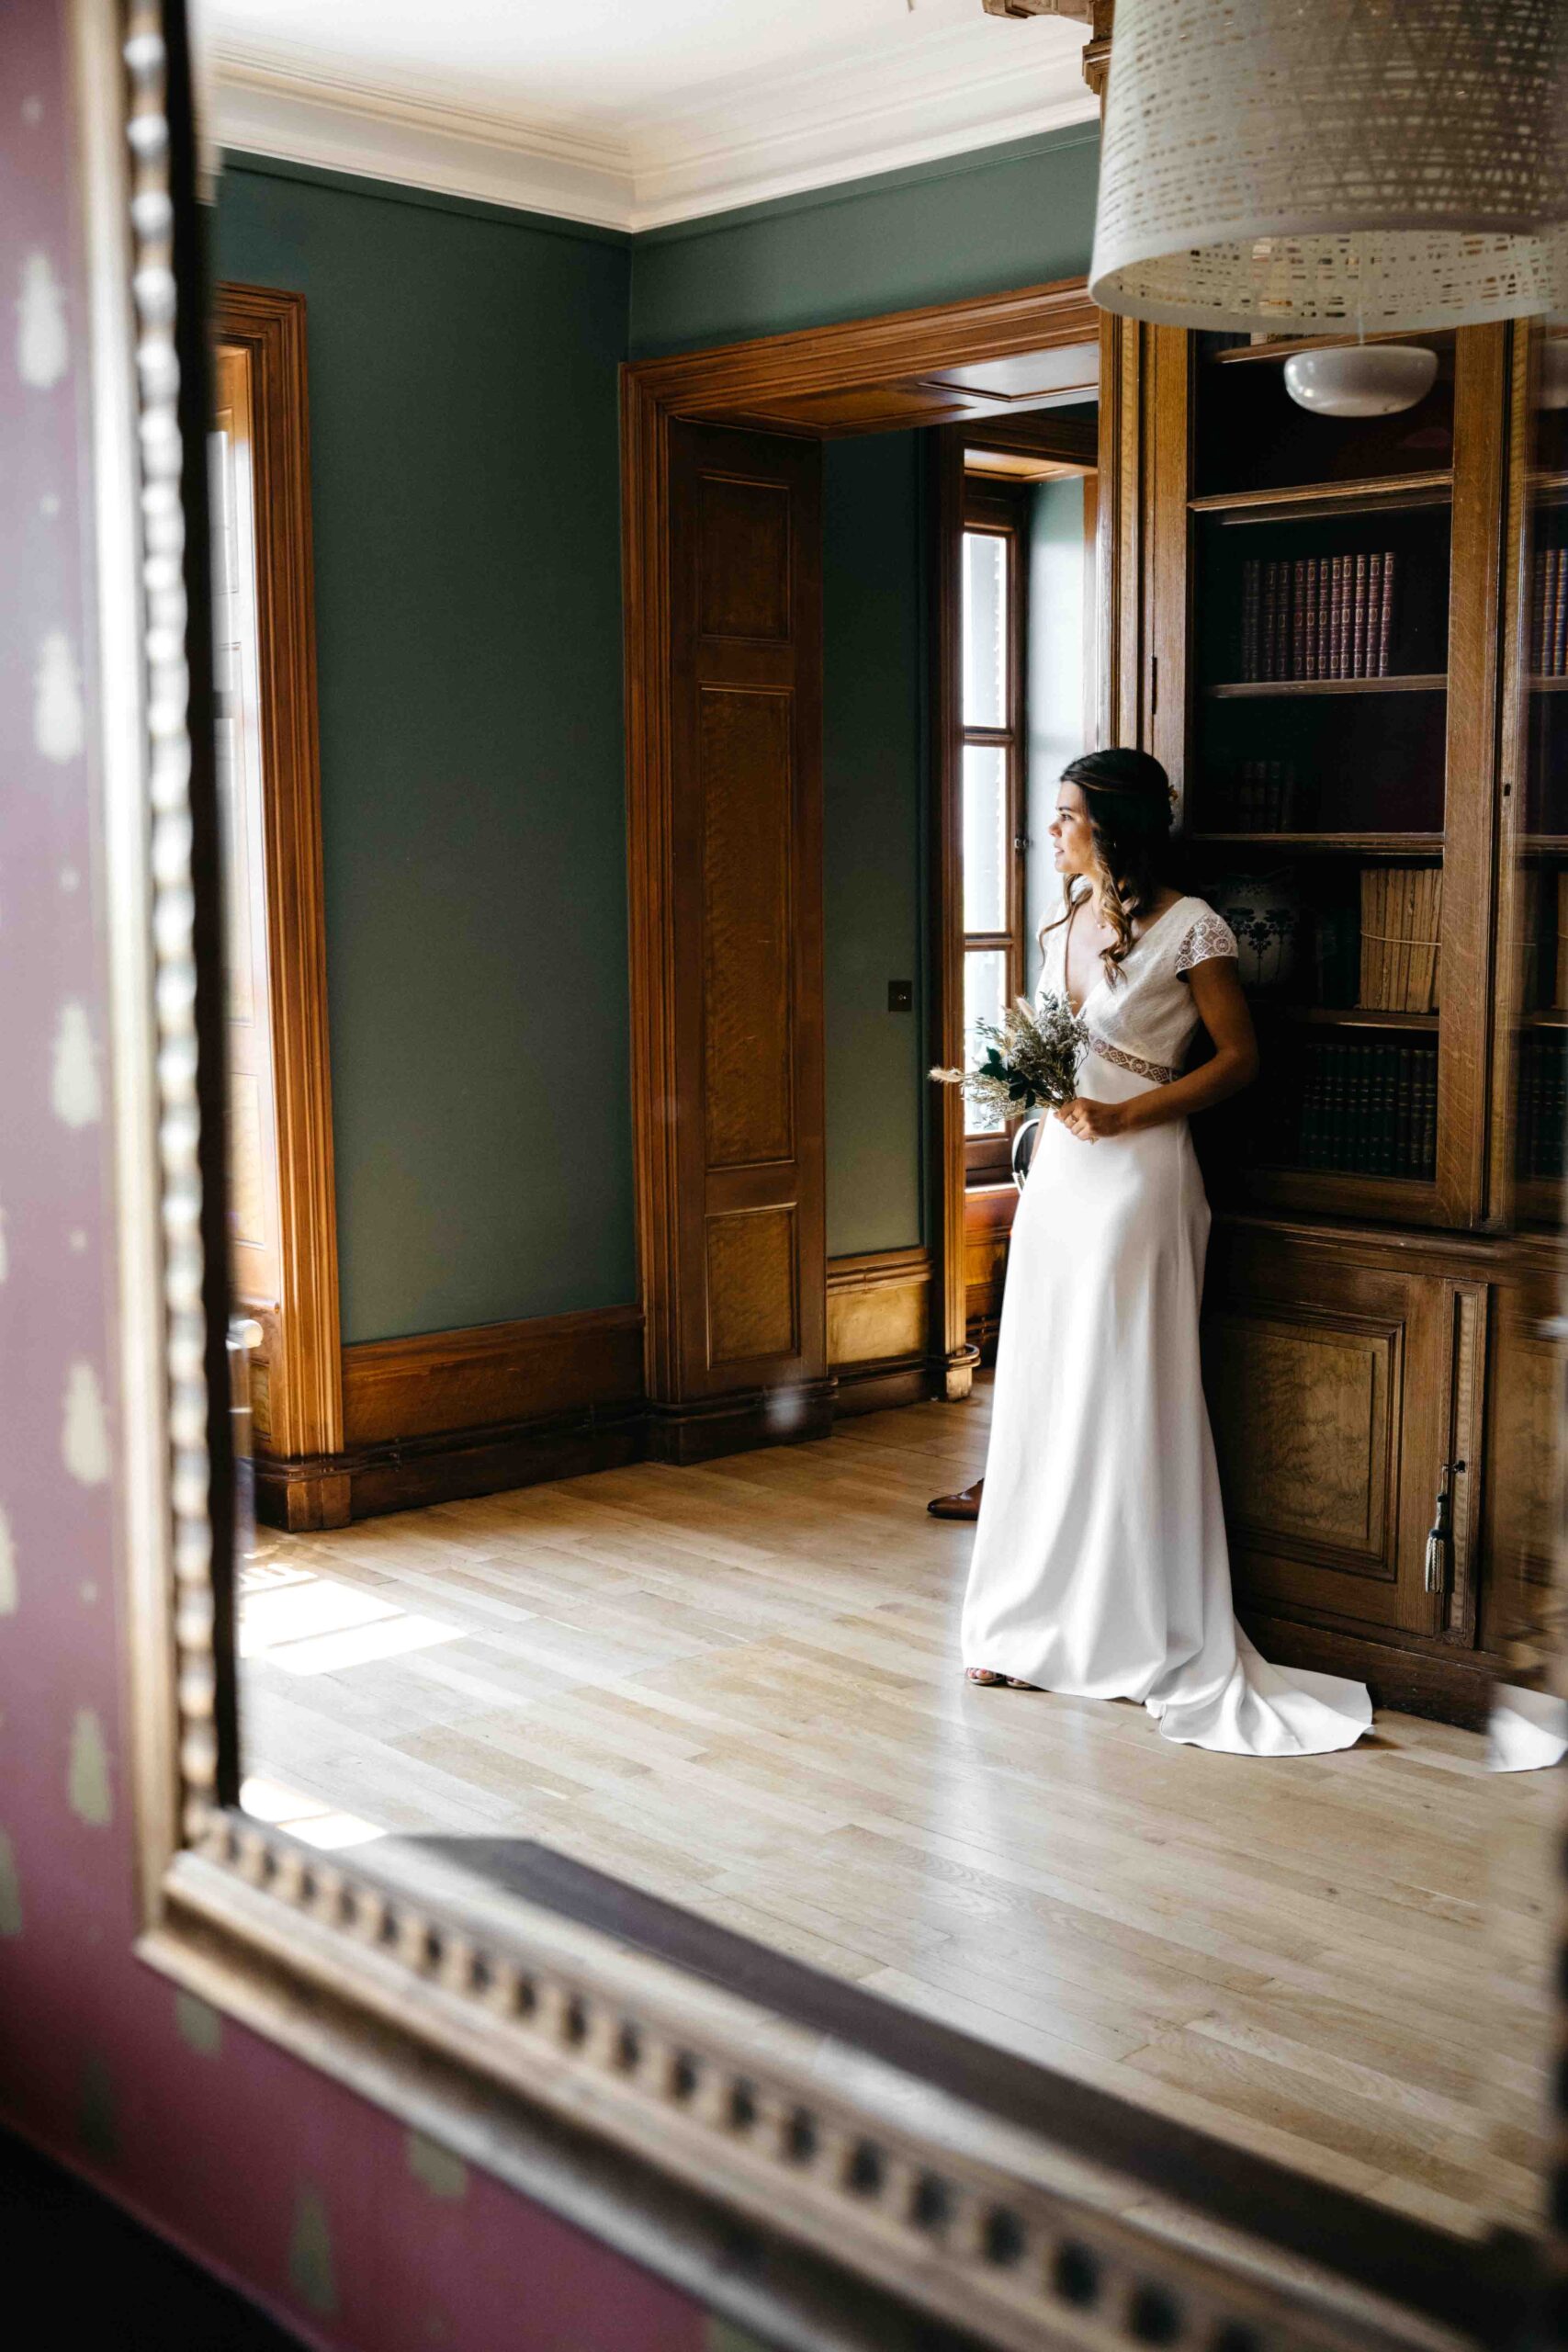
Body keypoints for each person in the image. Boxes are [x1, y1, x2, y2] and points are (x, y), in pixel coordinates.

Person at [958, 748, 1371, 1756]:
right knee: (1047, 1388)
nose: (1051, 832)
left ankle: (1128, 1624)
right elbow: (1055, 1051)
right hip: (1060, 1178)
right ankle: (1027, 1619)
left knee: (1122, 1388)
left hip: (1140, 1181)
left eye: (1066, 816)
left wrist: (1129, 1111)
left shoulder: (1196, 927)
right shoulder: (1062, 926)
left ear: (1113, 825)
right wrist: (1043, 1097)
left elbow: (1239, 1059)